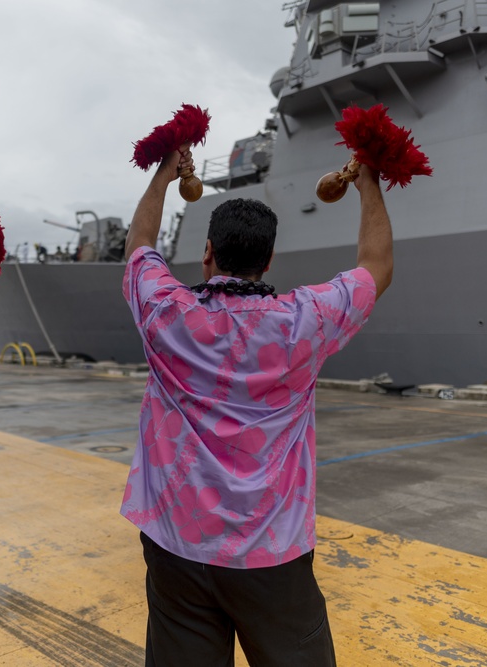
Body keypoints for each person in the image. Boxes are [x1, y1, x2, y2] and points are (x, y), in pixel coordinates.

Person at [120, 147, 392, 666]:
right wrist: (369, 182)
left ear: (207, 253)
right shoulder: (304, 320)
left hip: (176, 545)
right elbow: (375, 266)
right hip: (271, 553)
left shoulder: (163, 311)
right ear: (267, 261)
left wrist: (163, 173)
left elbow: (139, 247)